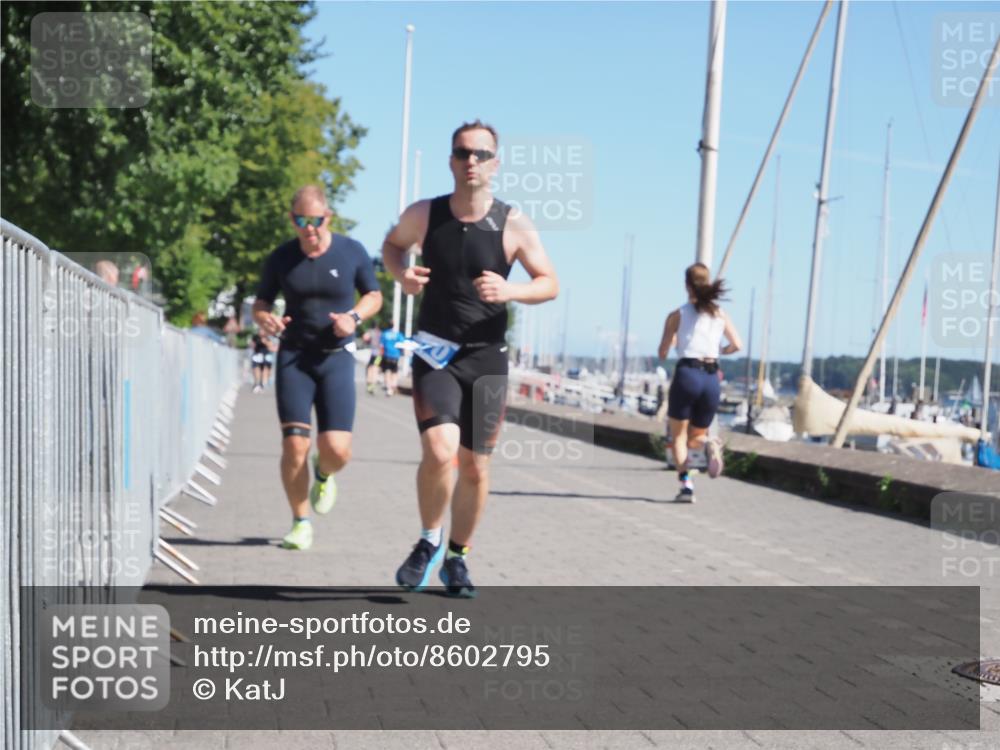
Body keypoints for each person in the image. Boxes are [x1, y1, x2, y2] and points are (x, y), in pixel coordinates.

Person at [382, 120, 558, 597]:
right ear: (451, 161)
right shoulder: (425, 214)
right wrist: (402, 275)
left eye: (481, 154)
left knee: (475, 465)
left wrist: (511, 290)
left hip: (486, 358)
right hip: (435, 351)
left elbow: (549, 283)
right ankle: (428, 540)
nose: (471, 161)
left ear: (495, 163)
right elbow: (393, 246)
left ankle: (457, 557)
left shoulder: (512, 223)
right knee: (440, 452)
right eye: (463, 153)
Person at [253, 185, 383, 551]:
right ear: (291, 220)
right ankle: (300, 522)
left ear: (328, 217)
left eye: (315, 220)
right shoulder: (281, 257)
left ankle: (324, 472)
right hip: (294, 358)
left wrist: (353, 317)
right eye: (300, 221)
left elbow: (374, 295)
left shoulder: (351, 251)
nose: (308, 228)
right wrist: (266, 319)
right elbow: (261, 303)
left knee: (337, 449)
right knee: (294, 445)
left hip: (336, 358)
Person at [657, 263, 742, 503]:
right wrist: (719, 350)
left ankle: (686, 486)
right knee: (697, 437)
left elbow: (662, 352)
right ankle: (710, 444)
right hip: (711, 377)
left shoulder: (677, 315)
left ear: (687, 285)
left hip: (688, 374)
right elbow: (737, 345)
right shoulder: (720, 314)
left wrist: (675, 342)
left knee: (679, 438)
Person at [379, 325, 405, 396]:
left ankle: (389, 388)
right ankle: (393, 385)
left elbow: (381, 345)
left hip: (387, 355)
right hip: (396, 355)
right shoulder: (398, 334)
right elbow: (402, 344)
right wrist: (402, 352)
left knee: (387, 371)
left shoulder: (384, 334)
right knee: (394, 371)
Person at [364, 324, 383, 395]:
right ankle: (373, 385)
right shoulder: (381, 333)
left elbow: (365, 338)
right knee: (375, 369)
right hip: (379, 355)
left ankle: (369, 385)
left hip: (372, 353)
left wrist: (368, 342)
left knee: (370, 368)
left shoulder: (371, 332)